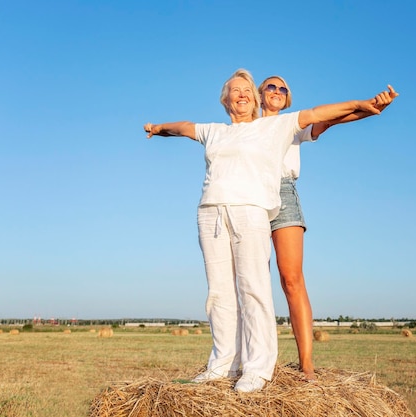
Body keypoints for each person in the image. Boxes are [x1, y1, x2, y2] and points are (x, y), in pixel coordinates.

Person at [144, 68, 389, 392]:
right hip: (213, 210)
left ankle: (274, 367)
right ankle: (222, 365)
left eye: (279, 88)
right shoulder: (217, 130)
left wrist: (363, 106)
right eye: (237, 90)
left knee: (267, 284)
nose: (243, 94)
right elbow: (187, 128)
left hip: (266, 201)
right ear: (227, 99)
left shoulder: (278, 125)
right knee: (219, 293)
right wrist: (160, 128)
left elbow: (322, 118)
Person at [258, 75, 398, 381]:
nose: (278, 91)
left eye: (284, 89)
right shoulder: (247, 127)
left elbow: (332, 119)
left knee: (291, 279)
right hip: (250, 196)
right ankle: (254, 361)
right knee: (252, 281)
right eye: (271, 86)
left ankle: (306, 364)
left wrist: (372, 108)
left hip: (283, 193)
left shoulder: (293, 125)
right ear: (259, 94)